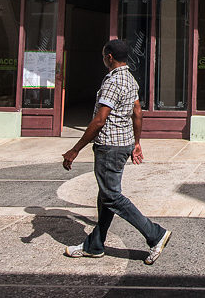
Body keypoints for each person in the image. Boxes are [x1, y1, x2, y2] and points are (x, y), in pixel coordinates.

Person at [62, 39, 171, 264]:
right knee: (106, 196)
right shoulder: (130, 79)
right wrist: (136, 142)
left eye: (104, 56)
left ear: (109, 56)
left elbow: (100, 120)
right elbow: (137, 113)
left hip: (109, 146)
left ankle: (155, 234)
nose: (103, 59)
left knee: (111, 196)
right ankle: (94, 245)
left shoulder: (112, 82)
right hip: (123, 145)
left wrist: (75, 149)